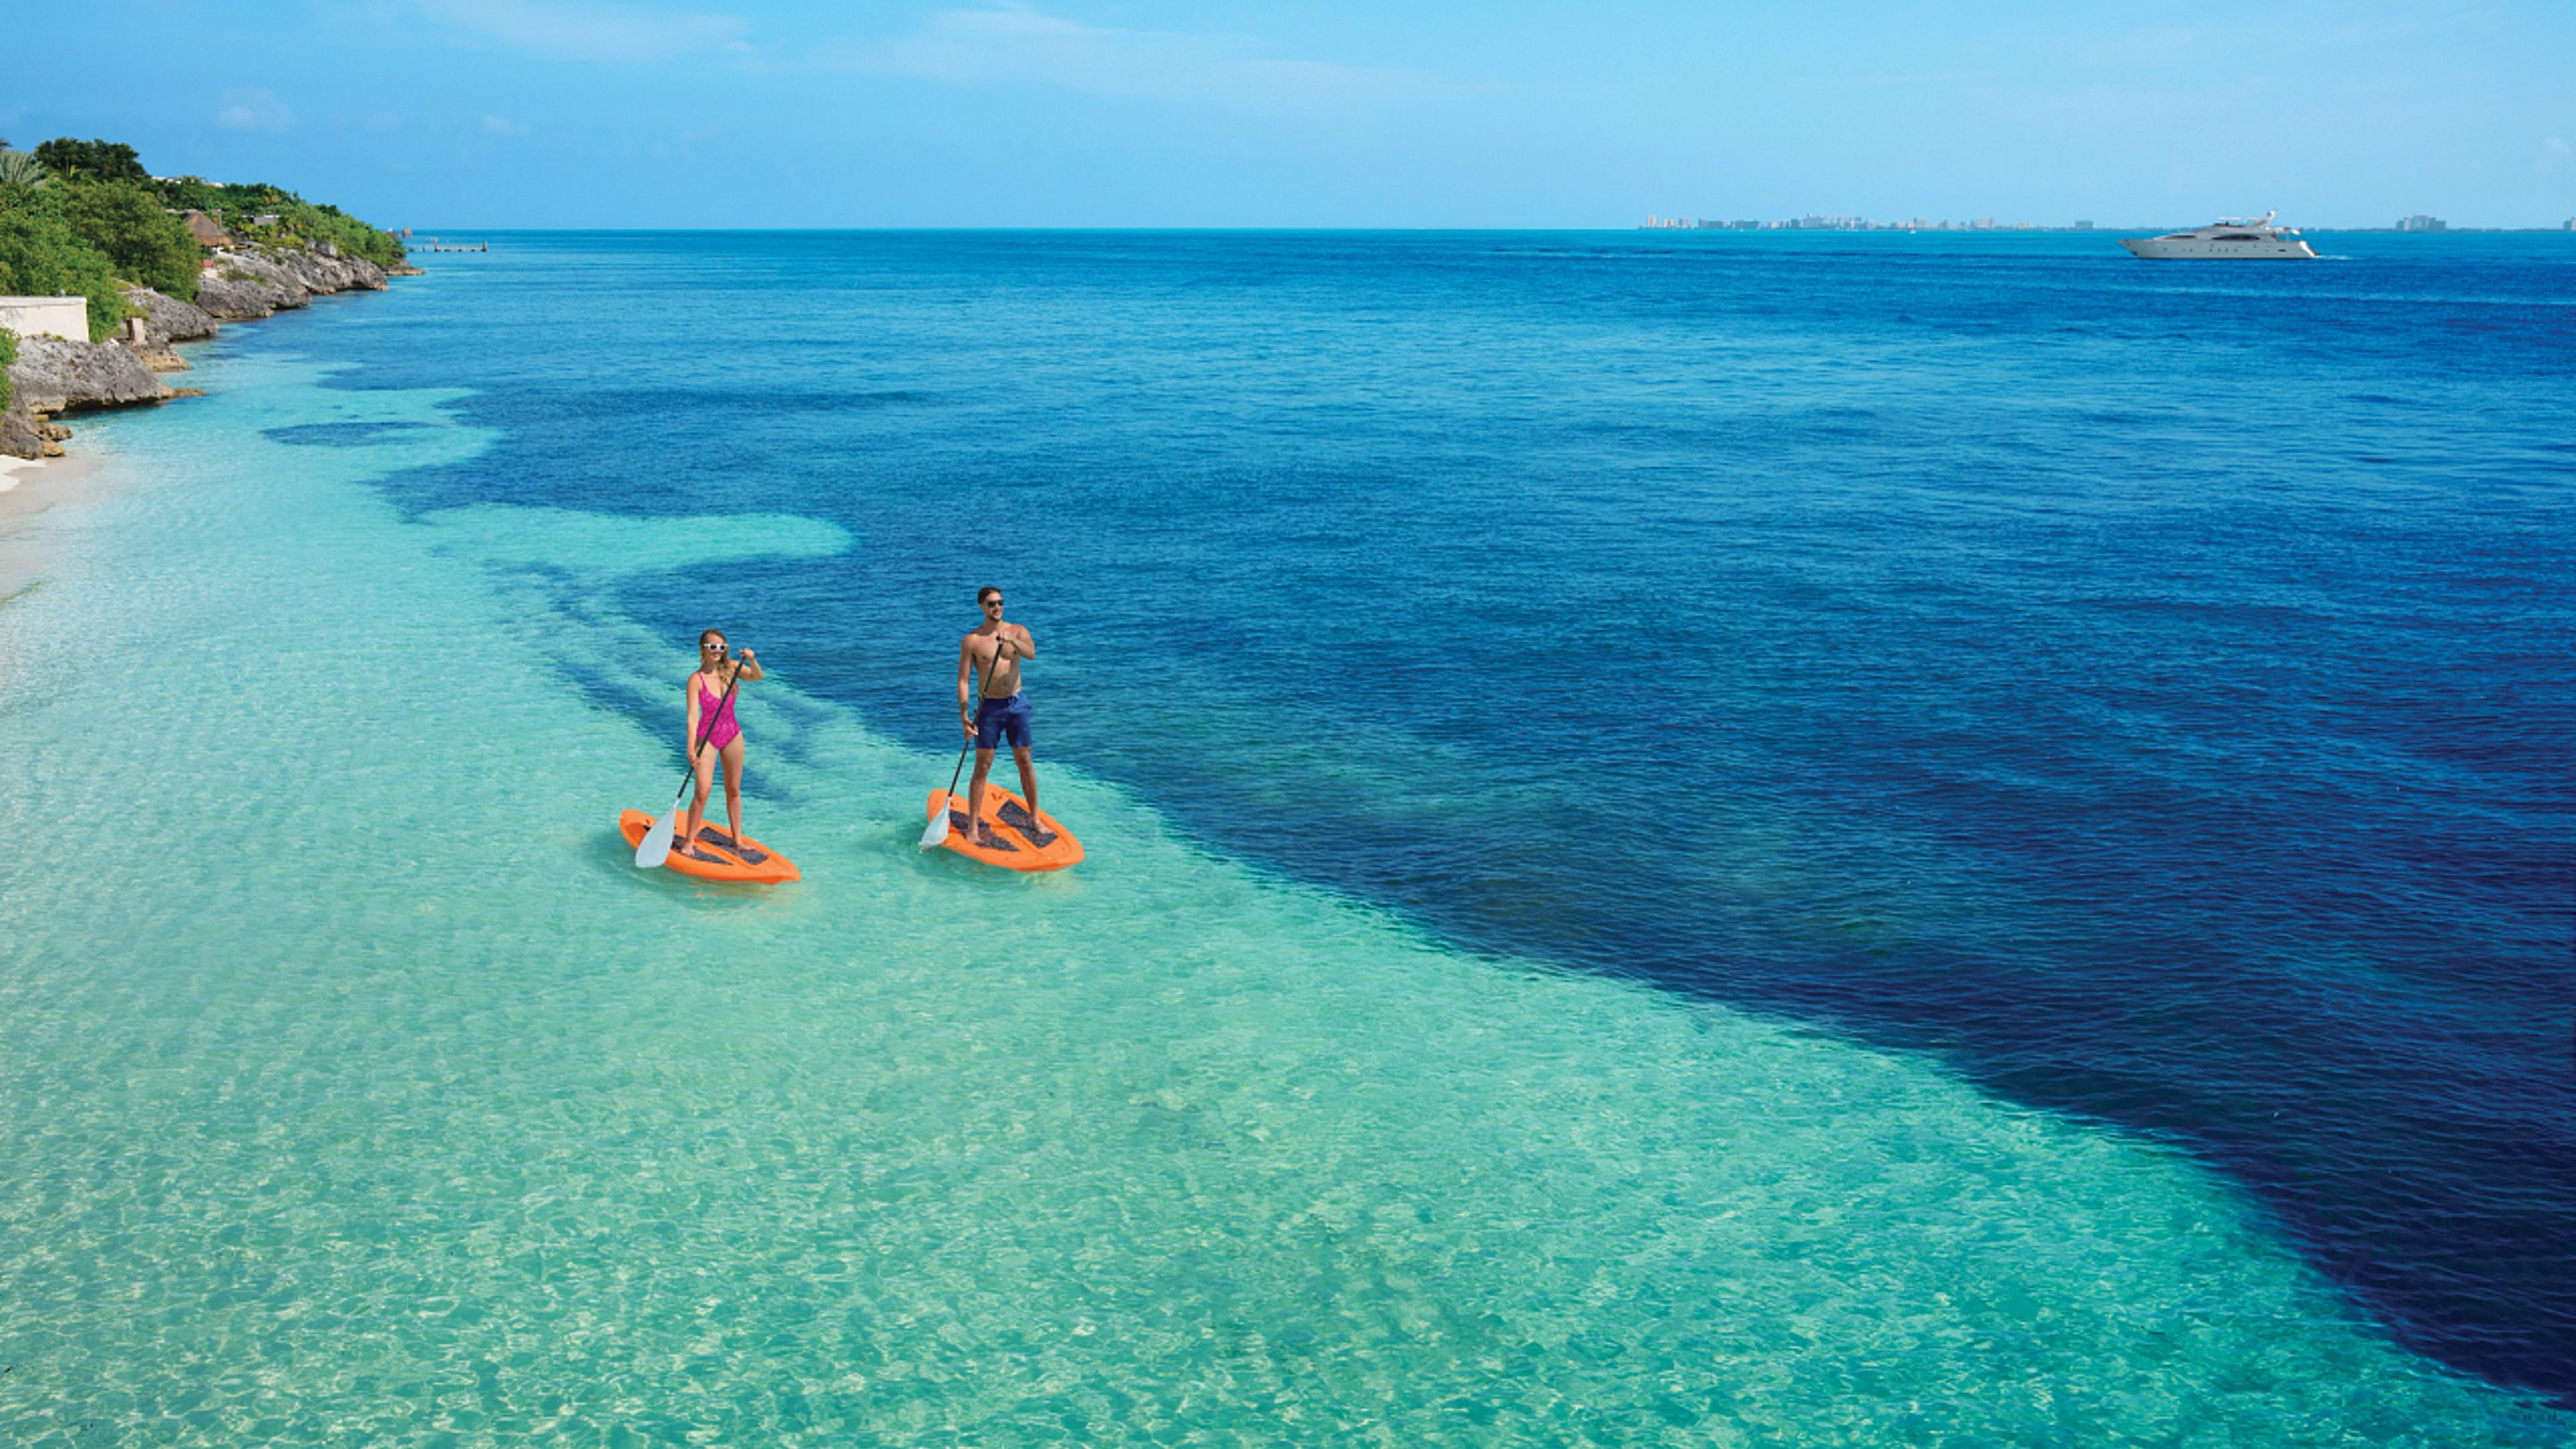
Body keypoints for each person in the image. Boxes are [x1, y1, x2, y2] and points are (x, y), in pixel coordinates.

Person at [957, 585, 1048, 847]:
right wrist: (964, 716)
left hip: (1017, 704)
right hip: (989, 709)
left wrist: (1011, 641)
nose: (997, 607)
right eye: (991, 604)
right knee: (982, 766)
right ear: (981, 607)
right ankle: (973, 826)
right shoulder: (972, 641)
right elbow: (963, 680)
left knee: (1025, 761)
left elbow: (1031, 654)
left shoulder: (1018, 631)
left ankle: (1034, 818)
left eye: (1000, 603)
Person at [679, 629, 765, 861]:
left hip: (732, 735)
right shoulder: (695, 680)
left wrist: (753, 659)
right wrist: (690, 749)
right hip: (706, 739)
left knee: (734, 790)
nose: (718, 651)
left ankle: (737, 840)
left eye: (722, 647)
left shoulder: (732, 669)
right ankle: (689, 841)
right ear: (703, 650)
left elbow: (757, 677)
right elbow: (692, 718)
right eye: (713, 647)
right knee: (703, 791)